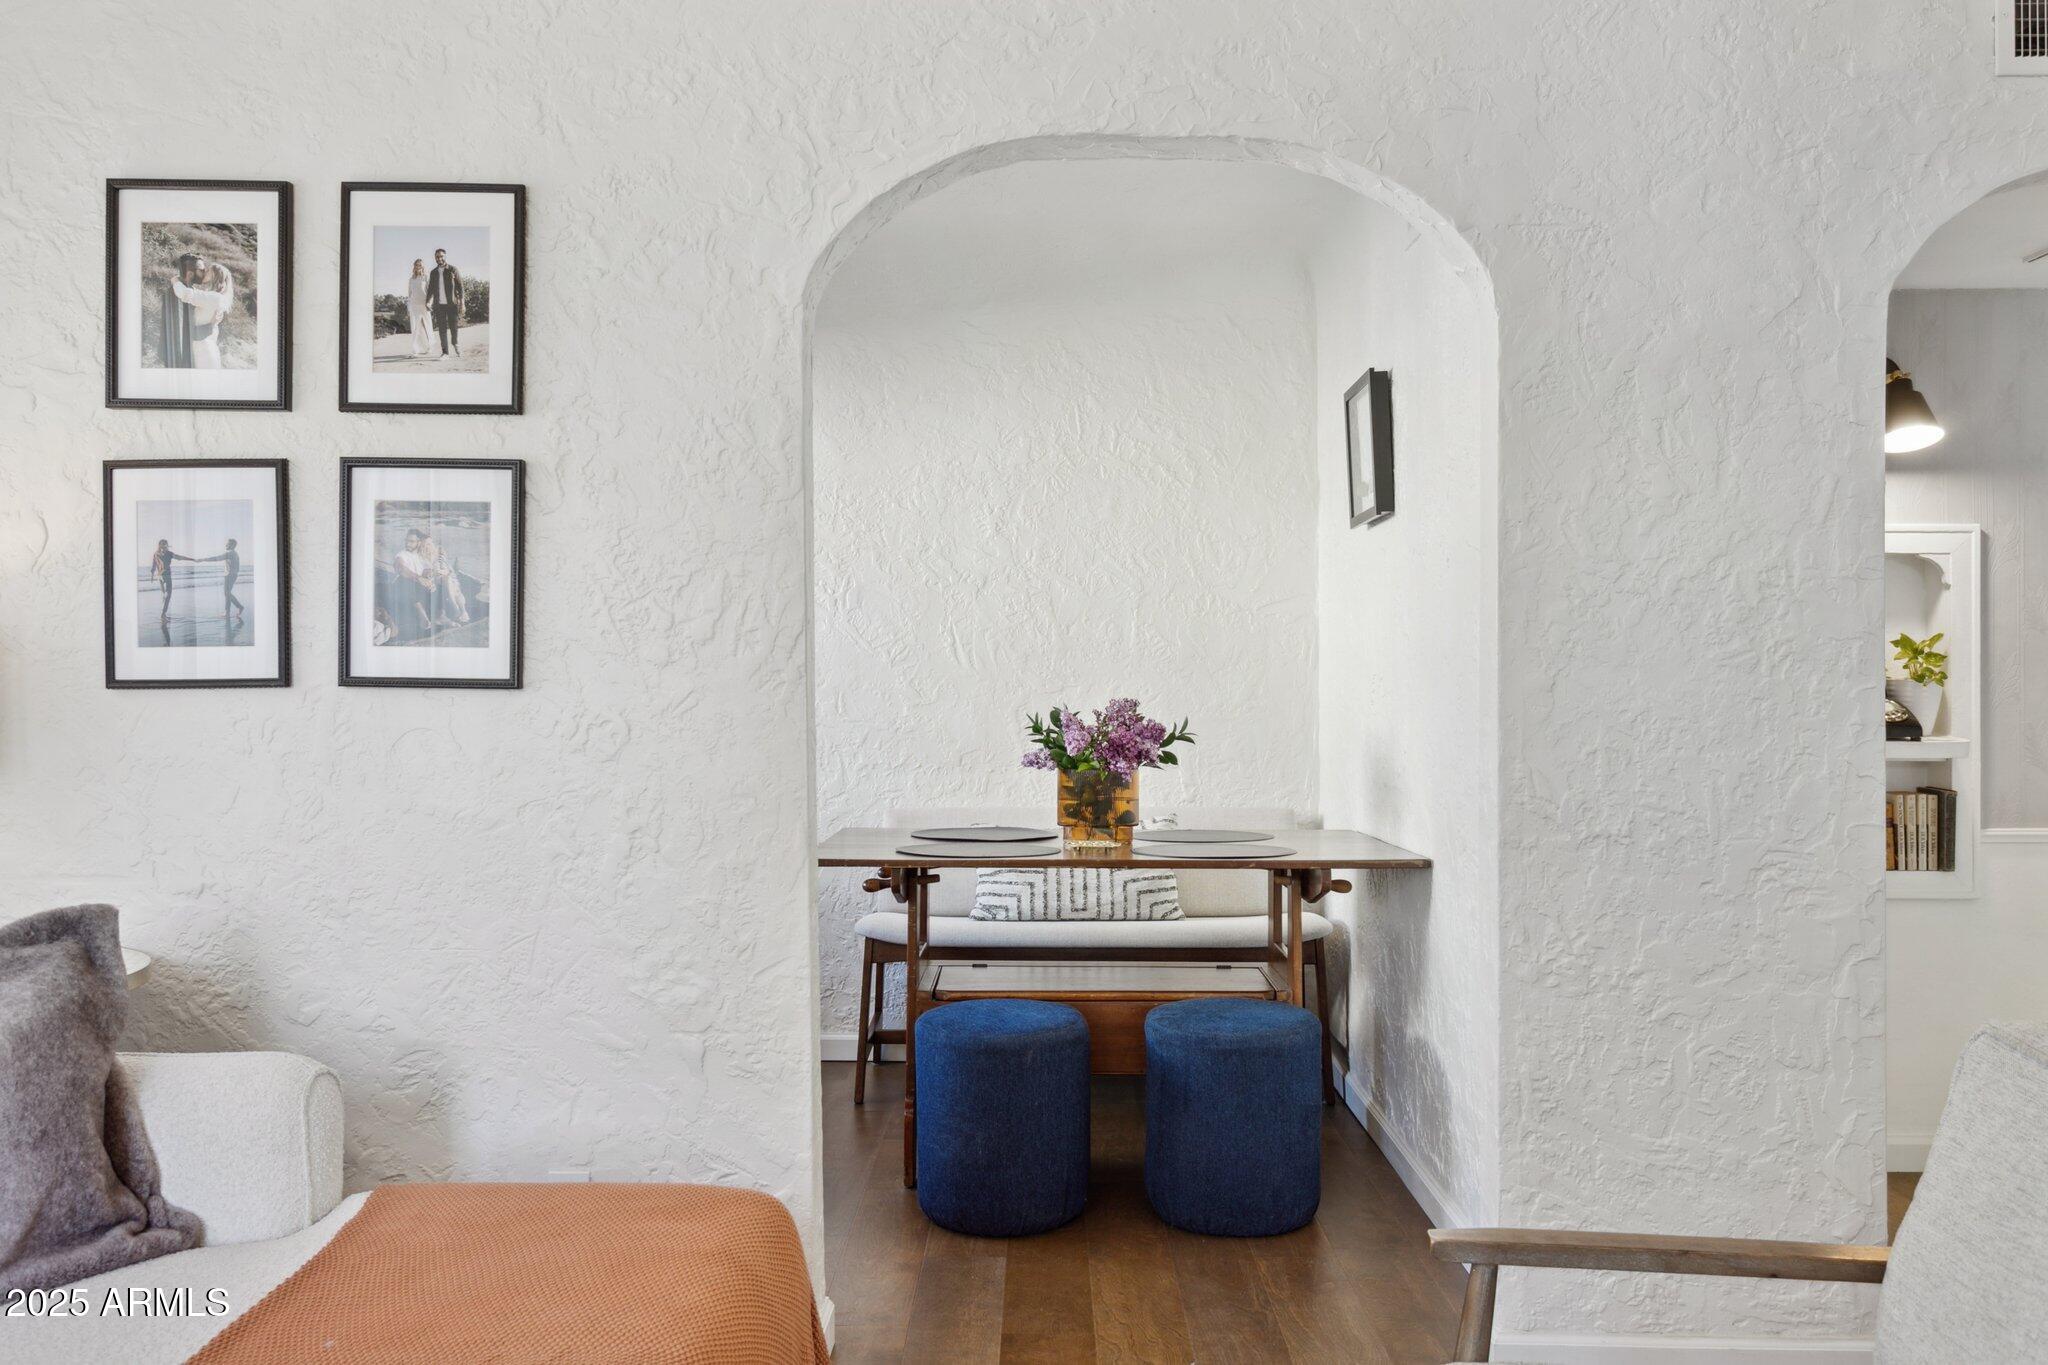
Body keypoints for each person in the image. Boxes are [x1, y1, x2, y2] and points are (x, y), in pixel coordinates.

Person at [170, 256, 234, 369]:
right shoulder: (214, 296)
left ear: (215, 276)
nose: (204, 271)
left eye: (208, 270)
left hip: (204, 351)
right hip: (203, 347)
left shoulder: (215, 298)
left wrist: (175, 281)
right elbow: (197, 295)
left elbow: (186, 294)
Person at [416, 529, 471, 626]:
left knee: (449, 580)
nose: (427, 547)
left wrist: (443, 572)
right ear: (421, 545)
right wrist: (433, 573)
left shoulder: (439, 553)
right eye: (424, 545)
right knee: (447, 581)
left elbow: (448, 570)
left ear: (432, 544)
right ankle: (460, 611)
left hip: (446, 578)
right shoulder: (419, 557)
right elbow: (423, 573)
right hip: (434, 580)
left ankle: (461, 610)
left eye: (429, 544)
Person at [425, 248, 463, 358]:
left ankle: (455, 343)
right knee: (442, 329)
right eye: (437, 257)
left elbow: (460, 287)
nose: (439, 258)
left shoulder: (452, 269)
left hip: (452, 304)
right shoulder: (433, 272)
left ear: (445, 257)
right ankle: (445, 352)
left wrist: (462, 303)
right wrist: (427, 301)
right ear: (435, 258)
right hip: (439, 305)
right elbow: (431, 289)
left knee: (454, 327)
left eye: (441, 256)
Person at [193, 537, 244, 619]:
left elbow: (216, 558)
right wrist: (234, 573)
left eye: (228, 543)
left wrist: (203, 559)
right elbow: (237, 566)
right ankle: (233, 609)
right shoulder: (234, 553)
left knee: (227, 593)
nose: (226, 544)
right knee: (227, 593)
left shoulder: (230, 553)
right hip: (232, 575)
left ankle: (234, 609)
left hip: (229, 575)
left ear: (232, 545)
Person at [149, 538, 190, 621]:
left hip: (160, 576)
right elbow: (179, 557)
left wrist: (152, 576)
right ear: (163, 545)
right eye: (165, 545)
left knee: (166, 595)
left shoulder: (156, 554)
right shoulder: (168, 553)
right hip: (166, 576)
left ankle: (163, 614)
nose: (165, 547)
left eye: (165, 545)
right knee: (168, 595)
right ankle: (163, 615)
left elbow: (153, 566)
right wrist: (191, 559)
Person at [405, 258, 432, 356]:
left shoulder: (426, 277)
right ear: (414, 266)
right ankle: (415, 349)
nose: (418, 267)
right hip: (414, 306)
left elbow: (430, 292)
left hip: (424, 305)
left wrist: (429, 303)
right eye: (416, 265)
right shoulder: (411, 279)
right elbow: (409, 294)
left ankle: (429, 346)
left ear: (422, 266)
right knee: (416, 328)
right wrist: (408, 308)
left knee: (426, 326)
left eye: (420, 265)